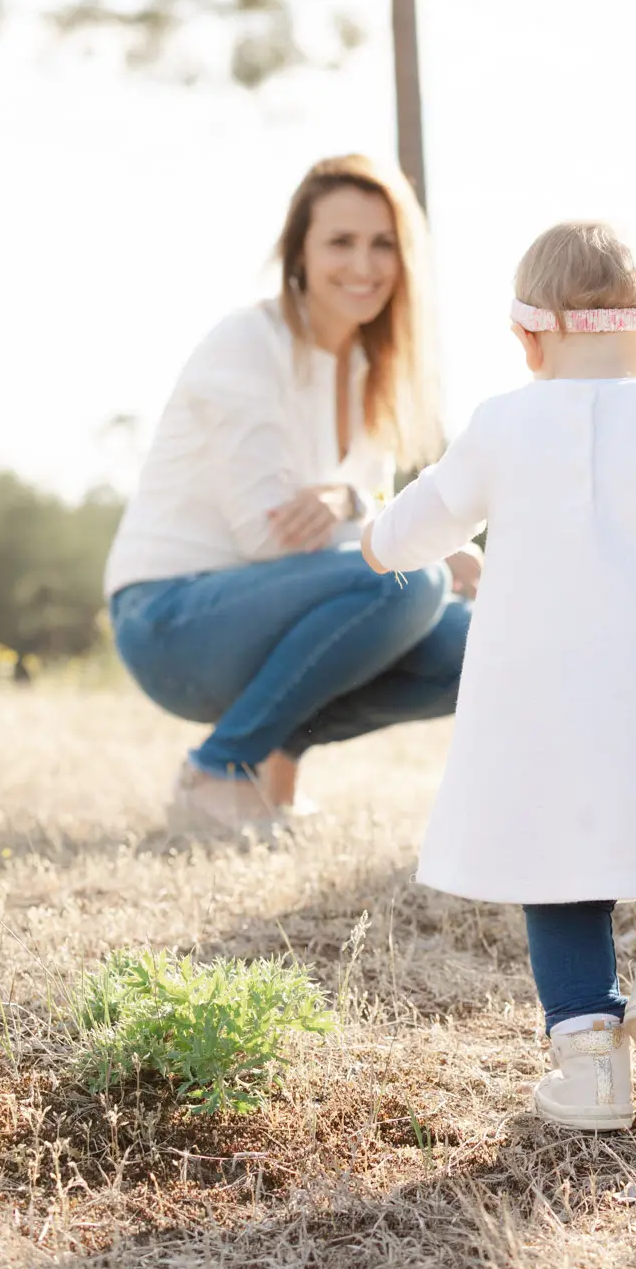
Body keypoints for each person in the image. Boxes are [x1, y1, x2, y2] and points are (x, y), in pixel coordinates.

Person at [361, 220, 636, 1130]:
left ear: (527, 341)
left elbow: (428, 520)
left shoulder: (501, 422)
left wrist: (374, 537)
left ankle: (589, 1069)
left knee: (556, 868)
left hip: (540, 691)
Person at [105, 153, 477, 834]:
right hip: (169, 617)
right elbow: (269, 535)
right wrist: (366, 512)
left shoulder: (370, 370)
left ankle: (273, 758)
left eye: (382, 244)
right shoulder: (249, 340)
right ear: (299, 252)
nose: (363, 266)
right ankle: (217, 770)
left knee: (476, 643)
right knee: (407, 578)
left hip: (270, 615)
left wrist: (433, 545)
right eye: (340, 242)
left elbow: (356, 528)